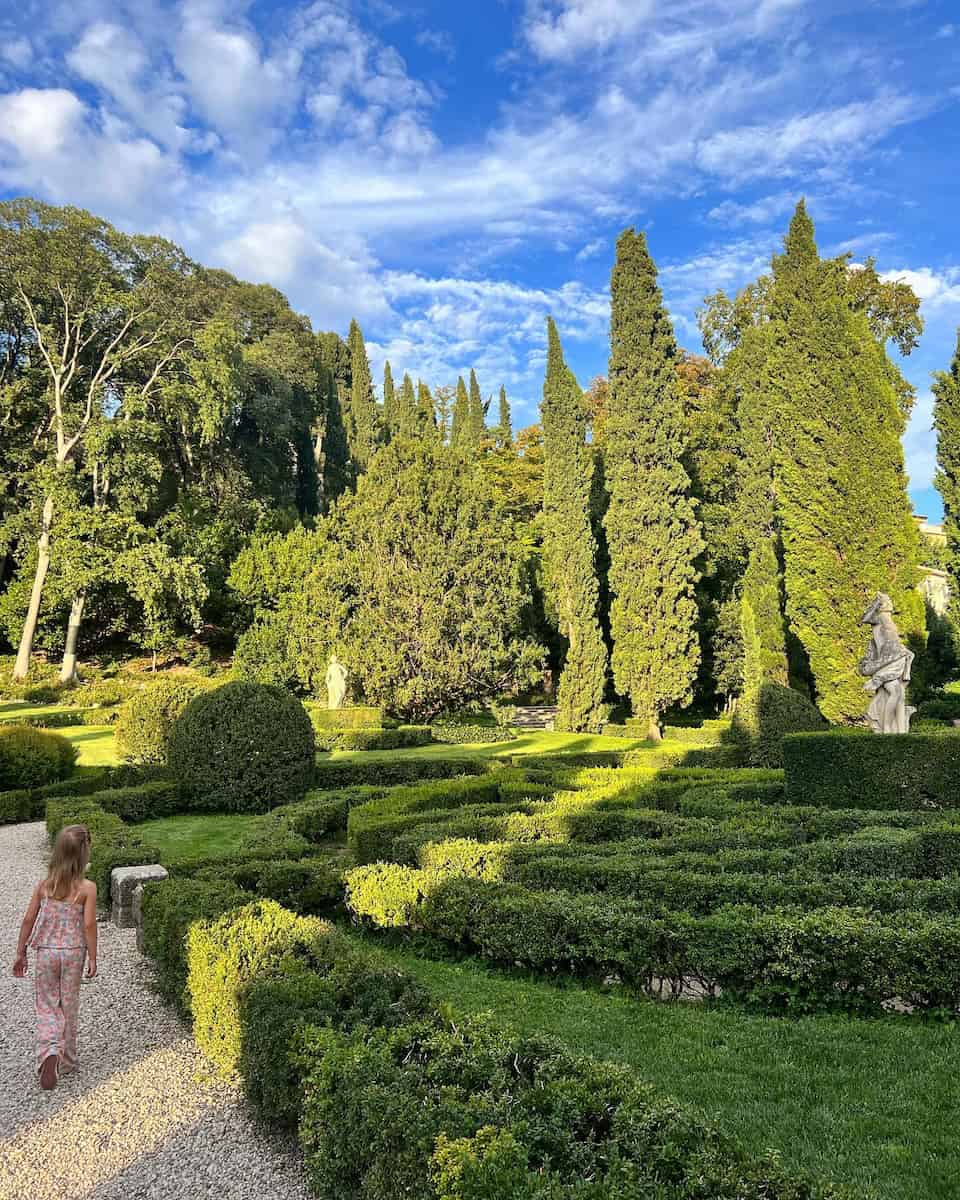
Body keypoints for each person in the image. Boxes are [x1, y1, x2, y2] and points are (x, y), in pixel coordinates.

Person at [11, 824, 98, 1090]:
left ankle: (49, 1052)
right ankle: (68, 1061)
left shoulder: (44, 886)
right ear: (84, 854)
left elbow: (28, 920)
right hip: (73, 954)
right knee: (68, 1005)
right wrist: (93, 957)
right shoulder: (87, 888)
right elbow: (88, 925)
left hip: (46, 953)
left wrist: (20, 952)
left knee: (47, 1005)